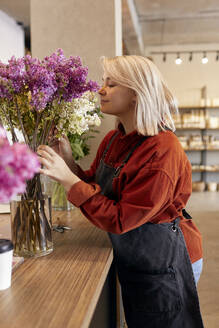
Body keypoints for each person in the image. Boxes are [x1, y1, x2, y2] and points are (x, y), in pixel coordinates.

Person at [37, 55, 204, 328]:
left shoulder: (162, 152)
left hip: (166, 264)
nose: (101, 90)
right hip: (140, 257)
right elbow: (98, 188)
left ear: (137, 94)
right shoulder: (114, 139)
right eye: (104, 82)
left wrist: (68, 180)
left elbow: (121, 219)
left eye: (112, 84)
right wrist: (68, 163)